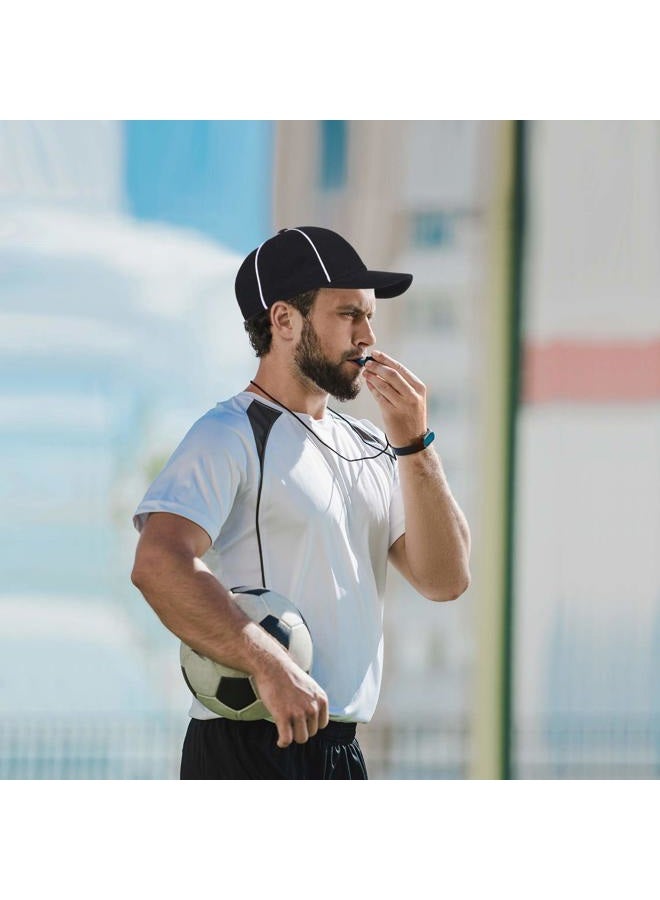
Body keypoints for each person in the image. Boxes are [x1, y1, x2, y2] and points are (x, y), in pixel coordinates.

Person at [130, 225, 471, 779]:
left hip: (341, 750)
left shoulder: (372, 445)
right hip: (249, 742)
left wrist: (415, 443)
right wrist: (268, 663)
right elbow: (157, 562)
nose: (367, 336)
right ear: (284, 320)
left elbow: (446, 578)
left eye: (369, 317)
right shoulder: (229, 433)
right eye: (348, 315)